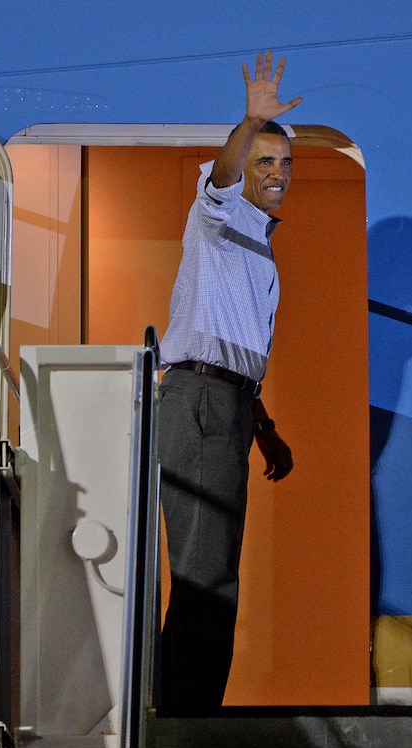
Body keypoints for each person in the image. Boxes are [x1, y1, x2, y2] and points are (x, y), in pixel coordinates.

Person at [157, 51, 300, 714]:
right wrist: (249, 121)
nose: (275, 173)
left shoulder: (259, 243)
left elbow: (237, 349)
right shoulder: (216, 219)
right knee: (206, 573)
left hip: (227, 404)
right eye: (263, 161)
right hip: (204, 403)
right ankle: (186, 721)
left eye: (283, 163)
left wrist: (263, 428)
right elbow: (218, 177)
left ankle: (179, 714)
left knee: (204, 569)